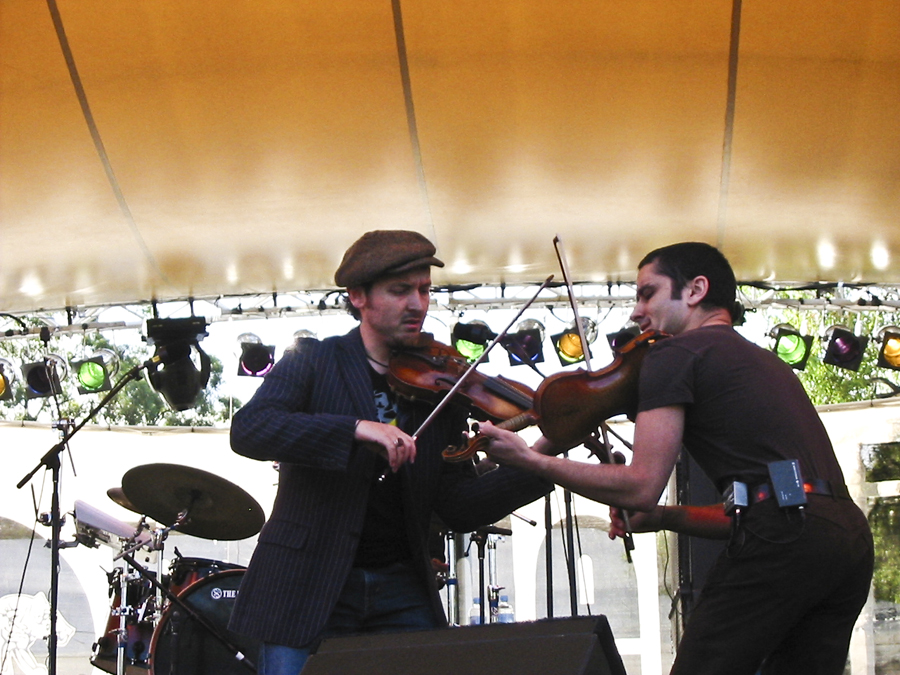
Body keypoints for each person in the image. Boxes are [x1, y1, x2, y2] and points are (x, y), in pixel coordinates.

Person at [478, 242, 873, 675]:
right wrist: (667, 517)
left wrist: (531, 460)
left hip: (786, 535)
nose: (635, 312)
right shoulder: (764, 362)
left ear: (695, 290)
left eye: (647, 293)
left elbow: (641, 486)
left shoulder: (674, 354)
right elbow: (768, 511)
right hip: (847, 535)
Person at [228, 229, 551, 675]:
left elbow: (456, 506)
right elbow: (250, 429)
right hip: (307, 582)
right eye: (401, 291)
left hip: (402, 584)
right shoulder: (313, 360)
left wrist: (544, 459)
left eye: (424, 290)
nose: (418, 304)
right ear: (358, 295)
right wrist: (357, 429)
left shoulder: (444, 383)